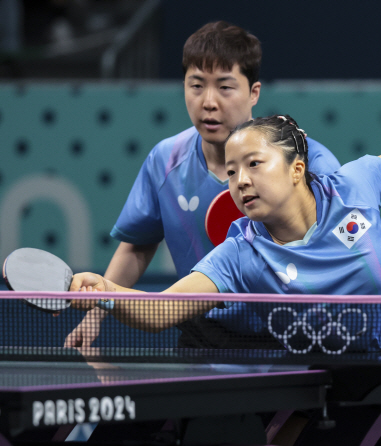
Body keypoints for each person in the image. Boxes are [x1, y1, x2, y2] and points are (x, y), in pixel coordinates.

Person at [69, 43, 381, 445]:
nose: (240, 181)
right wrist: (107, 293)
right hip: (333, 381)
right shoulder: (241, 251)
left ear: (297, 169)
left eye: (254, 164)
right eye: (231, 172)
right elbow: (163, 309)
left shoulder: (352, 189)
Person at [64, 21, 340, 349]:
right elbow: (138, 245)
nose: (208, 102)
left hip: (288, 333)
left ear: (254, 93)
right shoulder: (165, 161)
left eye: (225, 87)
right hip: (203, 333)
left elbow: (338, 250)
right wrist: (96, 312)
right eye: (196, 86)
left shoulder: (306, 162)